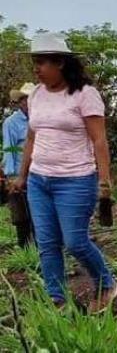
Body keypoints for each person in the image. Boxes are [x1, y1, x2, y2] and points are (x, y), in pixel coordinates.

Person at [12, 33, 117, 310]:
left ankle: (106, 284)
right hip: (39, 180)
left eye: (42, 62)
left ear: (60, 62)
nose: (36, 68)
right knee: (47, 244)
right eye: (35, 62)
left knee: (75, 241)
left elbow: (99, 140)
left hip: (75, 180)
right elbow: (32, 138)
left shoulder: (85, 94)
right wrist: (23, 175)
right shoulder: (35, 94)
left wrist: (104, 182)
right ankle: (57, 300)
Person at [2, 82, 35, 247]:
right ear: (21, 101)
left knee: (38, 212)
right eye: (25, 100)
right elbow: (9, 150)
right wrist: (11, 176)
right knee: (21, 214)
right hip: (18, 173)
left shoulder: (39, 119)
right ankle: (24, 248)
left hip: (37, 172)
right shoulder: (11, 123)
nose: (28, 103)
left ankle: (40, 247)